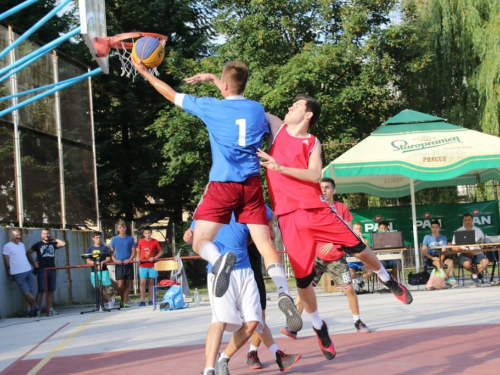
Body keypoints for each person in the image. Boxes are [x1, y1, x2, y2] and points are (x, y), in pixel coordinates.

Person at [134, 59, 300, 332]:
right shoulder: (257, 110)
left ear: (223, 85)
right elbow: (276, 129)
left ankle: (219, 261)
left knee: (200, 241)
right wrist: (215, 79)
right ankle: (283, 292)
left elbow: (169, 93)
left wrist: (143, 71)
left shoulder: (211, 107)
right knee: (264, 244)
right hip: (252, 185)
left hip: (223, 184)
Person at [258, 94, 412, 360]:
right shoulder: (276, 127)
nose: (289, 107)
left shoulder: (312, 141)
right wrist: (217, 82)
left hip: (317, 210)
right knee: (304, 282)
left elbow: (315, 175)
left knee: (358, 247)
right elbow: (245, 105)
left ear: (307, 115)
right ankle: (318, 326)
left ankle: (388, 280)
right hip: (289, 217)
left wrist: (280, 167)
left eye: (295, 106)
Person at [183, 210, 300, 375]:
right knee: (220, 320)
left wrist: (263, 230)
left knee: (254, 321)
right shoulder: (210, 206)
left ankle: (223, 358)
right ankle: (209, 370)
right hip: (219, 271)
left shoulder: (249, 204)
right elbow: (193, 236)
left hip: (246, 271)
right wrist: (188, 235)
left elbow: (269, 216)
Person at [280, 179, 370, 339]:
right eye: (321, 188)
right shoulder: (311, 207)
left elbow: (348, 231)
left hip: (336, 257)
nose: (324, 190)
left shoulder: (340, 208)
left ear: (333, 191)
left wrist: (333, 242)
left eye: (327, 187)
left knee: (349, 289)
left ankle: (358, 321)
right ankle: (293, 325)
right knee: (303, 289)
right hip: (315, 257)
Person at [27, 228, 66, 316]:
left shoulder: (53, 244)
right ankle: (37, 309)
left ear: (49, 234)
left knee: (51, 290)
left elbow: (63, 244)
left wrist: (54, 238)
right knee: (41, 290)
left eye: (47, 233)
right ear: (41, 235)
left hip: (52, 269)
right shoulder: (38, 244)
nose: (46, 235)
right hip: (41, 270)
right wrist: (34, 263)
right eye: (44, 234)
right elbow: (28, 253)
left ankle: (50, 308)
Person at [3, 228, 41, 317]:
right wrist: (9, 273)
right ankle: (37, 307)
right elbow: (6, 262)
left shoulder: (22, 245)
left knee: (29, 292)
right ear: (11, 235)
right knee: (26, 293)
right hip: (17, 272)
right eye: (16, 235)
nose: (18, 237)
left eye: (19, 235)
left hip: (27, 270)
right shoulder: (7, 246)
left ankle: (28, 311)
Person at [452, 213, 489, 286]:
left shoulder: (478, 230)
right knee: (467, 264)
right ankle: (477, 274)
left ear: (472, 220)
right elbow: (454, 247)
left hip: (477, 253)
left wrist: (483, 246)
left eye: (469, 220)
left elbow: (483, 243)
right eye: (465, 220)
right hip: (464, 254)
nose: (467, 221)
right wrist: (466, 252)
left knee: (485, 261)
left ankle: (475, 275)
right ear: (463, 221)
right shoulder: (458, 231)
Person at [422, 220, 457, 287]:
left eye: (436, 227)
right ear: (431, 228)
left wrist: (440, 260)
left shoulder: (443, 238)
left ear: (439, 228)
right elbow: (423, 250)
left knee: (450, 262)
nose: (434, 229)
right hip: (431, 257)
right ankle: (447, 280)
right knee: (438, 263)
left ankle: (450, 277)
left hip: (441, 256)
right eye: (433, 227)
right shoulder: (427, 237)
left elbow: (444, 250)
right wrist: (432, 258)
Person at [110, 220, 136, 308]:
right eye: (120, 228)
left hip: (128, 264)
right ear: (118, 229)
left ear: (126, 228)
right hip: (119, 265)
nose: (122, 229)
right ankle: (121, 298)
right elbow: (111, 253)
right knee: (120, 285)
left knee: (127, 284)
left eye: (124, 227)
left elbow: (133, 251)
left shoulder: (130, 238)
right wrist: (115, 260)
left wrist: (129, 259)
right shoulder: (114, 239)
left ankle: (125, 302)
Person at [86, 231, 115, 309]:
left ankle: (104, 303)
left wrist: (102, 262)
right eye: (96, 238)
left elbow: (109, 258)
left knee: (102, 287)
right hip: (94, 271)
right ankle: (109, 300)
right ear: (93, 239)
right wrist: (96, 263)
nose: (98, 239)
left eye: (99, 237)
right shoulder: (90, 249)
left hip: (103, 270)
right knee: (97, 287)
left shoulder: (104, 248)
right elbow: (88, 261)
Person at [137, 226, 164, 306]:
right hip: (143, 265)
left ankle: (151, 299)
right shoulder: (141, 241)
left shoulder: (155, 241)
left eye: (149, 233)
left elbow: (161, 252)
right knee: (142, 282)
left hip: (152, 265)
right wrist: (138, 258)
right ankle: (142, 300)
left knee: (151, 281)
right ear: (143, 234)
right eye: (146, 233)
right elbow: (138, 251)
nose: (147, 235)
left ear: (151, 233)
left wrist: (155, 258)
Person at [349, 222, 373, 292]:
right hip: (352, 262)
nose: (358, 230)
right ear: (353, 230)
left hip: (362, 262)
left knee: (371, 271)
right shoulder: (349, 238)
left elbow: (368, 249)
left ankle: (359, 280)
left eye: (360, 229)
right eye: (356, 229)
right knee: (351, 273)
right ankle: (358, 280)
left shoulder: (365, 239)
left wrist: (361, 238)